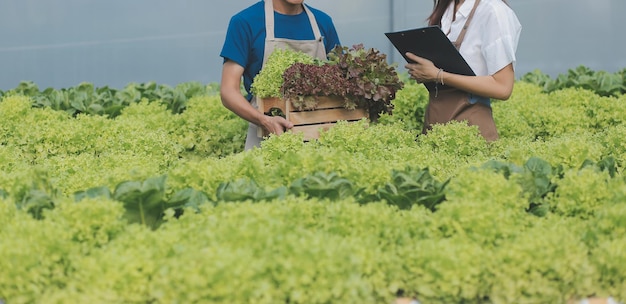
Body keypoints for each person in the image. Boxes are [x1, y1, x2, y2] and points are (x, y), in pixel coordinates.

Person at [220, 0, 341, 150]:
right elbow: (228, 91)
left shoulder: (323, 22)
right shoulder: (245, 22)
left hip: (322, 141)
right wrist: (264, 120)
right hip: (267, 142)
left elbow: (340, 80)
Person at [405, 0, 521, 141]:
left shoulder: (493, 11)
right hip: (435, 124)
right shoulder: (448, 6)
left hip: (471, 130)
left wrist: (438, 75)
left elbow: (503, 87)